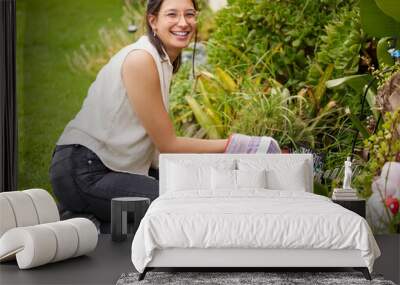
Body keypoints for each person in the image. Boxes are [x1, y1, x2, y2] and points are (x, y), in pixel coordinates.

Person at [49, 0, 228, 227]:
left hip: (107, 166)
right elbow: (168, 144)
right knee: (181, 203)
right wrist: (236, 145)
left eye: (190, 14)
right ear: (153, 20)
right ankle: (85, 220)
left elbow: (156, 147)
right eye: (172, 15)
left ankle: (93, 219)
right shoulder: (141, 59)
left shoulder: (162, 60)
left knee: (193, 191)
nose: (183, 23)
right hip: (85, 169)